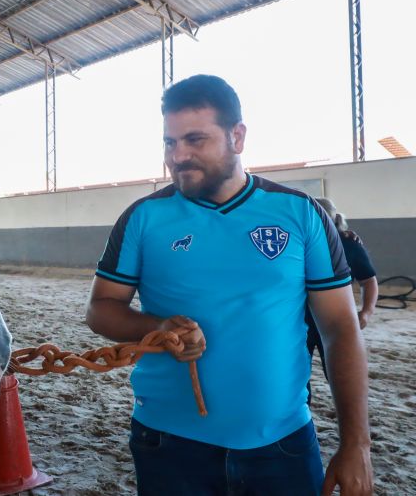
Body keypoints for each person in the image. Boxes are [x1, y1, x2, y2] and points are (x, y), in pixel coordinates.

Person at [86, 75, 372, 495]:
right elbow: (101, 309)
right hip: (166, 443)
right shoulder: (142, 218)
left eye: (195, 140)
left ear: (237, 137)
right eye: (169, 142)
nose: (178, 156)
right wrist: (157, 327)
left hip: (283, 444)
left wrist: (356, 444)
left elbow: (340, 328)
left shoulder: (301, 213)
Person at [306, 197, 378, 402]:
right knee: (297, 375)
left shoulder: (349, 245)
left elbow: (368, 281)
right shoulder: (297, 243)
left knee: (340, 373)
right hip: (299, 321)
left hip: (334, 320)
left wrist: (366, 312)